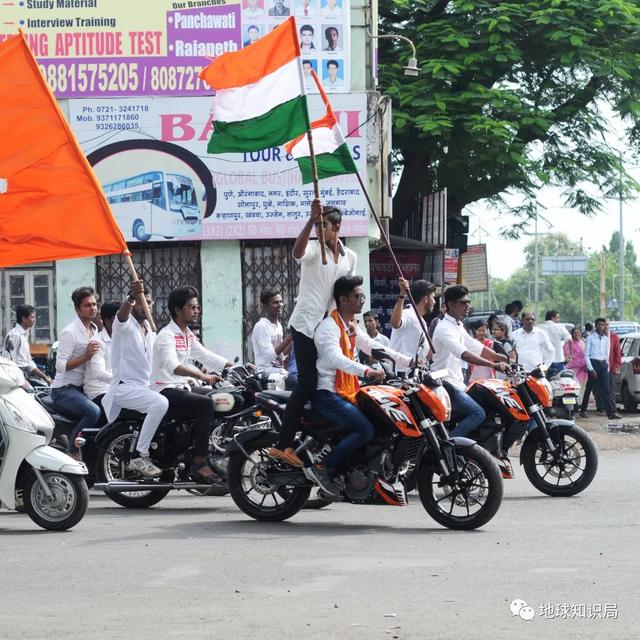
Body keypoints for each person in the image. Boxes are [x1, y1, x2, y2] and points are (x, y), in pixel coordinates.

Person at [305, 276, 412, 496]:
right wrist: (367, 371)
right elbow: (335, 358)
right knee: (364, 429)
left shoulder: (350, 327)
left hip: (348, 391)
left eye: (363, 295)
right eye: (358, 296)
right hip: (328, 392)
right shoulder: (329, 328)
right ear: (343, 300)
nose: (362, 300)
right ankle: (322, 467)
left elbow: (374, 348)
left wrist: (409, 362)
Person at [269, 200, 357, 467]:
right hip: (306, 324)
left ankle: (320, 437)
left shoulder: (350, 257)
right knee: (307, 382)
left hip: (329, 327)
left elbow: (346, 294)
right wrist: (310, 221)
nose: (320, 231)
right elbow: (297, 252)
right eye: (318, 226)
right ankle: (283, 444)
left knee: (330, 382)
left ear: (337, 228)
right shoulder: (314, 249)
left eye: (324, 227)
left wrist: (352, 321)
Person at [151, 285, 235, 483]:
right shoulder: (167, 336)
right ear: (178, 310)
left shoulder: (187, 334)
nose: (197, 311)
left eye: (197, 307)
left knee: (224, 398)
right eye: (192, 307)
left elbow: (207, 356)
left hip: (181, 387)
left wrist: (237, 367)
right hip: (164, 388)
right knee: (205, 403)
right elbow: (173, 366)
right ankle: (199, 461)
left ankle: (206, 450)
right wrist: (203, 377)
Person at [101, 282, 169, 478]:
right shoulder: (124, 325)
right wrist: (131, 297)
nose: (144, 306)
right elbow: (122, 315)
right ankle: (140, 454)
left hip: (147, 387)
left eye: (148, 302)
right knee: (160, 403)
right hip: (125, 388)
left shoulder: (150, 328)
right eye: (140, 302)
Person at [431, 286, 509, 440]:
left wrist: (503, 358)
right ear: (451, 305)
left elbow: (476, 347)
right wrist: (493, 365)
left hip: (458, 383)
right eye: (463, 302)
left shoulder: (458, 325)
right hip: (445, 385)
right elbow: (465, 354)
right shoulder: (444, 329)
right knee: (477, 413)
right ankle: (447, 447)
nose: (468, 305)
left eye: (468, 301)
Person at [51, 287, 102, 457]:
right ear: (77, 309)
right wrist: (86, 356)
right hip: (64, 390)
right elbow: (60, 365)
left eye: (94, 304)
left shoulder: (95, 330)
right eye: (87, 305)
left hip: (84, 388)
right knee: (93, 411)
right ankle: (73, 450)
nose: (92, 308)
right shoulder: (70, 332)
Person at [390, 278, 436, 369]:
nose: (434, 302)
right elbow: (395, 323)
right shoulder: (408, 314)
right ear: (426, 299)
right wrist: (402, 294)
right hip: (400, 377)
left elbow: (425, 355)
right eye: (433, 297)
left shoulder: (422, 322)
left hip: (415, 377)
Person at [579, 318, 620, 420]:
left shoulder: (606, 338)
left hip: (603, 365)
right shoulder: (590, 338)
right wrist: (591, 369)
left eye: (602, 325)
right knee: (589, 388)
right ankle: (583, 410)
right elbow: (586, 355)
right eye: (599, 325)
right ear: (595, 326)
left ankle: (610, 413)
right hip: (593, 363)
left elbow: (607, 354)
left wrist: (607, 366)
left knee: (606, 390)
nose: (601, 327)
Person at [2, 304, 51, 385]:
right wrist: (44, 377)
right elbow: (9, 362)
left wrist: (44, 377)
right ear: (24, 319)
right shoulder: (14, 335)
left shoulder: (24, 334)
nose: (34, 320)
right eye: (32, 317)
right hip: (13, 379)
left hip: (22, 377)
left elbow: (28, 362)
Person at [83, 300, 118, 408]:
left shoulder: (124, 339)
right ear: (107, 322)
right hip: (99, 391)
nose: (124, 322)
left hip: (118, 389)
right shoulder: (97, 342)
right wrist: (122, 381)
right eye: (118, 319)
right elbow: (99, 373)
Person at [251, 289, 292, 375]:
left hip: (278, 371)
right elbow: (269, 357)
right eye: (275, 302)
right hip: (266, 373)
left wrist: (293, 341)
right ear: (265, 306)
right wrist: (288, 339)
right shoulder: (261, 326)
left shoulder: (279, 326)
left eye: (281, 302)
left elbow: (280, 356)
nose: (280, 305)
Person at [540, 310, 571, 378]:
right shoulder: (560, 327)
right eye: (558, 317)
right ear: (552, 318)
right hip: (558, 360)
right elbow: (569, 338)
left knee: (542, 379)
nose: (559, 320)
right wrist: (562, 344)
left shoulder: (539, 327)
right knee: (559, 380)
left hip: (543, 361)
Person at [564, 326, 588, 402]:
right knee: (574, 387)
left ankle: (580, 403)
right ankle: (574, 403)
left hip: (584, 369)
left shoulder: (584, 342)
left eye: (578, 333)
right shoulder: (569, 343)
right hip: (573, 370)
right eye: (575, 333)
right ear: (571, 334)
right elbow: (566, 356)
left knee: (582, 387)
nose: (577, 334)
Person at [606, 319, 622, 415]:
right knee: (601, 389)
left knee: (611, 388)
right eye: (604, 324)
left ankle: (612, 409)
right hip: (600, 367)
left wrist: (617, 365)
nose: (605, 326)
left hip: (611, 367)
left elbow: (618, 353)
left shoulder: (614, 337)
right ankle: (602, 408)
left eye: (607, 324)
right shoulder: (598, 337)